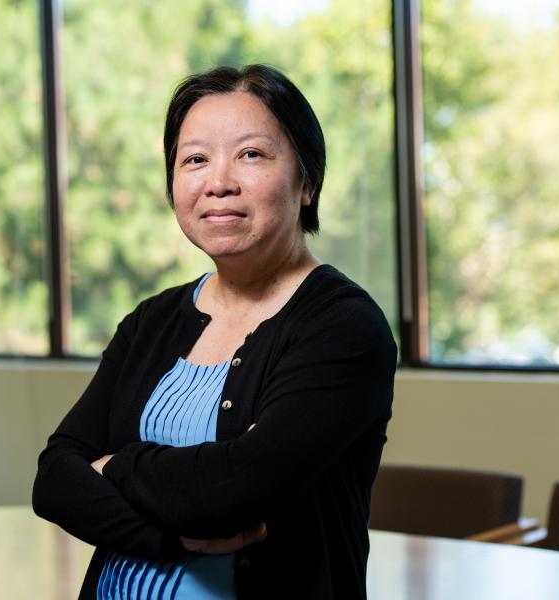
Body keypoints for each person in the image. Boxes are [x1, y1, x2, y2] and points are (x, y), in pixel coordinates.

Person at [32, 64, 396, 600]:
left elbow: (236, 490)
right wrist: (174, 536)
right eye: (195, 159)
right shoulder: (151, 320)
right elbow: (55, 480)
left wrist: (116, 464)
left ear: (307, 182)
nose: (219, 182)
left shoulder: (344, 327)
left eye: (251, 154)